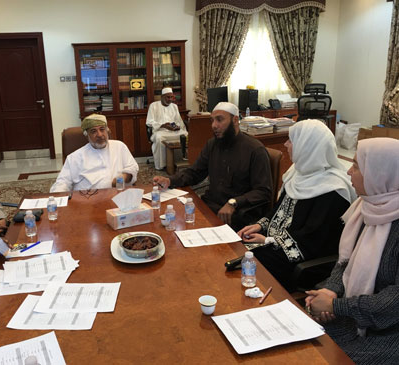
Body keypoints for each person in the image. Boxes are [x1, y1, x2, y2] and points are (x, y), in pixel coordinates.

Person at [305, 137, 399, 365]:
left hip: (388, 331)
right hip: (352, 312)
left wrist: (336, 306)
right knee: (299, 339)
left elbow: (396, 301)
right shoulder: (366, 206)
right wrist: (329, 291)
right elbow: (345, 261)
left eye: (356, 166)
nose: (348, 172)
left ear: (379, 173)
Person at [238, 120, 356, 290]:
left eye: (291, 140)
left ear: (308, 146)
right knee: (236, 249)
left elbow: (313, 241)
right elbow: (278, 209)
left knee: (245, 263)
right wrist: (259, 225)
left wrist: (268, 240)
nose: (286, 144)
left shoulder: (333, 189)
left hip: (302, 262)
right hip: (277, 246)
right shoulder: (297, 172)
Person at [153, 102, 272, 231]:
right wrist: (170, 180)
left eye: (219, 120)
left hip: (238, 214)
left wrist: (234, 202)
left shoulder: (255, 149)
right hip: (210, 205)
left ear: (235, 120)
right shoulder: (212, 144)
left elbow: (264, 191)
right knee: (174, 223)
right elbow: (195, 173)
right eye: (212, 120)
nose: (214, 125)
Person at [50, 113, 139, 192]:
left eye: (102, 129)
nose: (100, 135)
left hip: (118, 197)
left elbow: (132, 167)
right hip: (88, 201)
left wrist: (125, 176)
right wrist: (56, 199)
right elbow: (62, 183)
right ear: (86, 135)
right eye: (93, 131)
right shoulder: (75, 157)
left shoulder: (119, 146)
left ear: (107, 131)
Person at [146, 87, 188, 170]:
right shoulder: (154, 105)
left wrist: (177, 127)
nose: (170, 99)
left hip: (173, 131)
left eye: (171, 97)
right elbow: (149, 122)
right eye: (168, 97)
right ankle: (162, 165)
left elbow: (178, 121)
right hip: (160, 131)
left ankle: (180, 161)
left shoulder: (174, 106)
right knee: (159, 138)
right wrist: (163, 125)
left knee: (185, 135)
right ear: (162, 97)